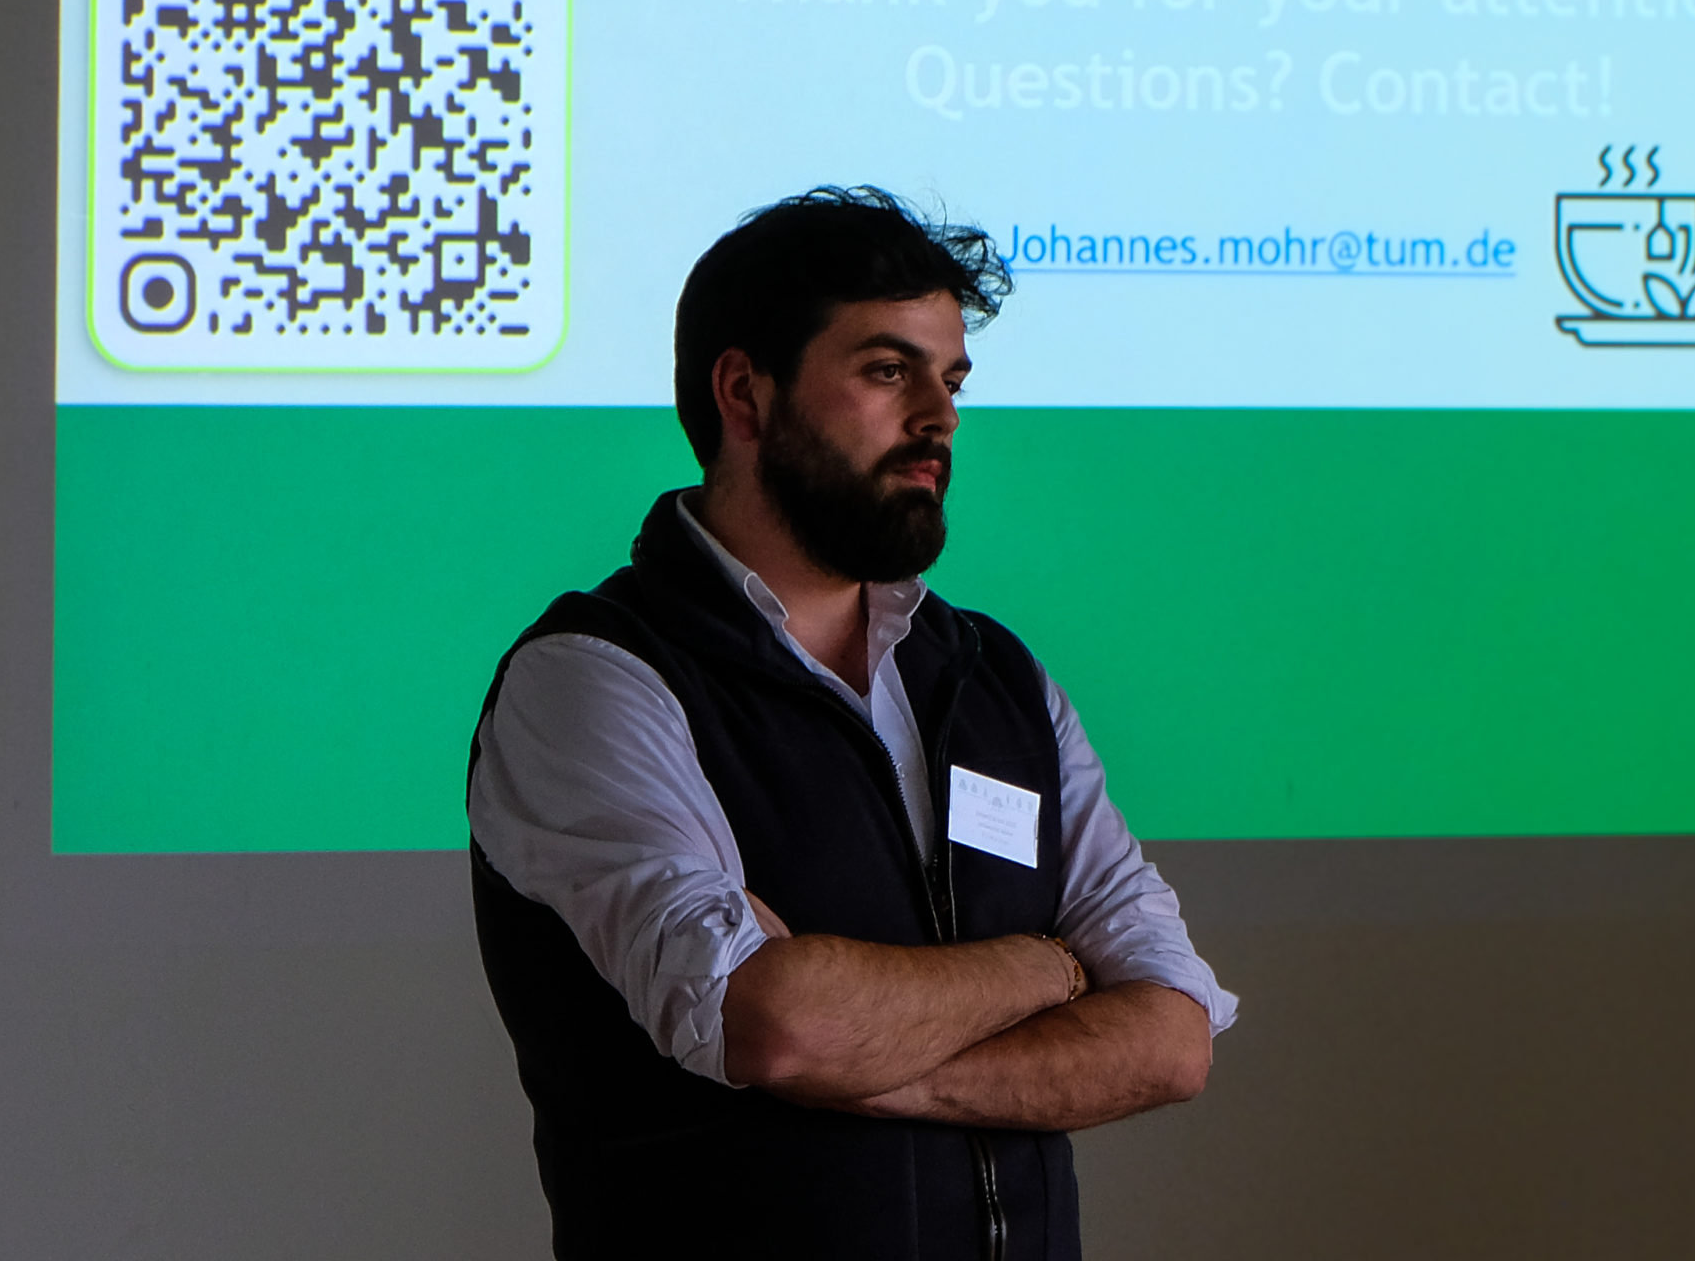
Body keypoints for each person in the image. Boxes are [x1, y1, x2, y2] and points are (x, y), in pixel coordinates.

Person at [468, 188, 1234, 1259]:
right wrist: (1050, 969)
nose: (940, 418)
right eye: (887, 372)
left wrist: (877, 1061)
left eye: (951, 378)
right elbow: (769, 1021)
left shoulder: (995, 677)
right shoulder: (597, 678)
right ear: (745, 393)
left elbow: (1170, 1039)